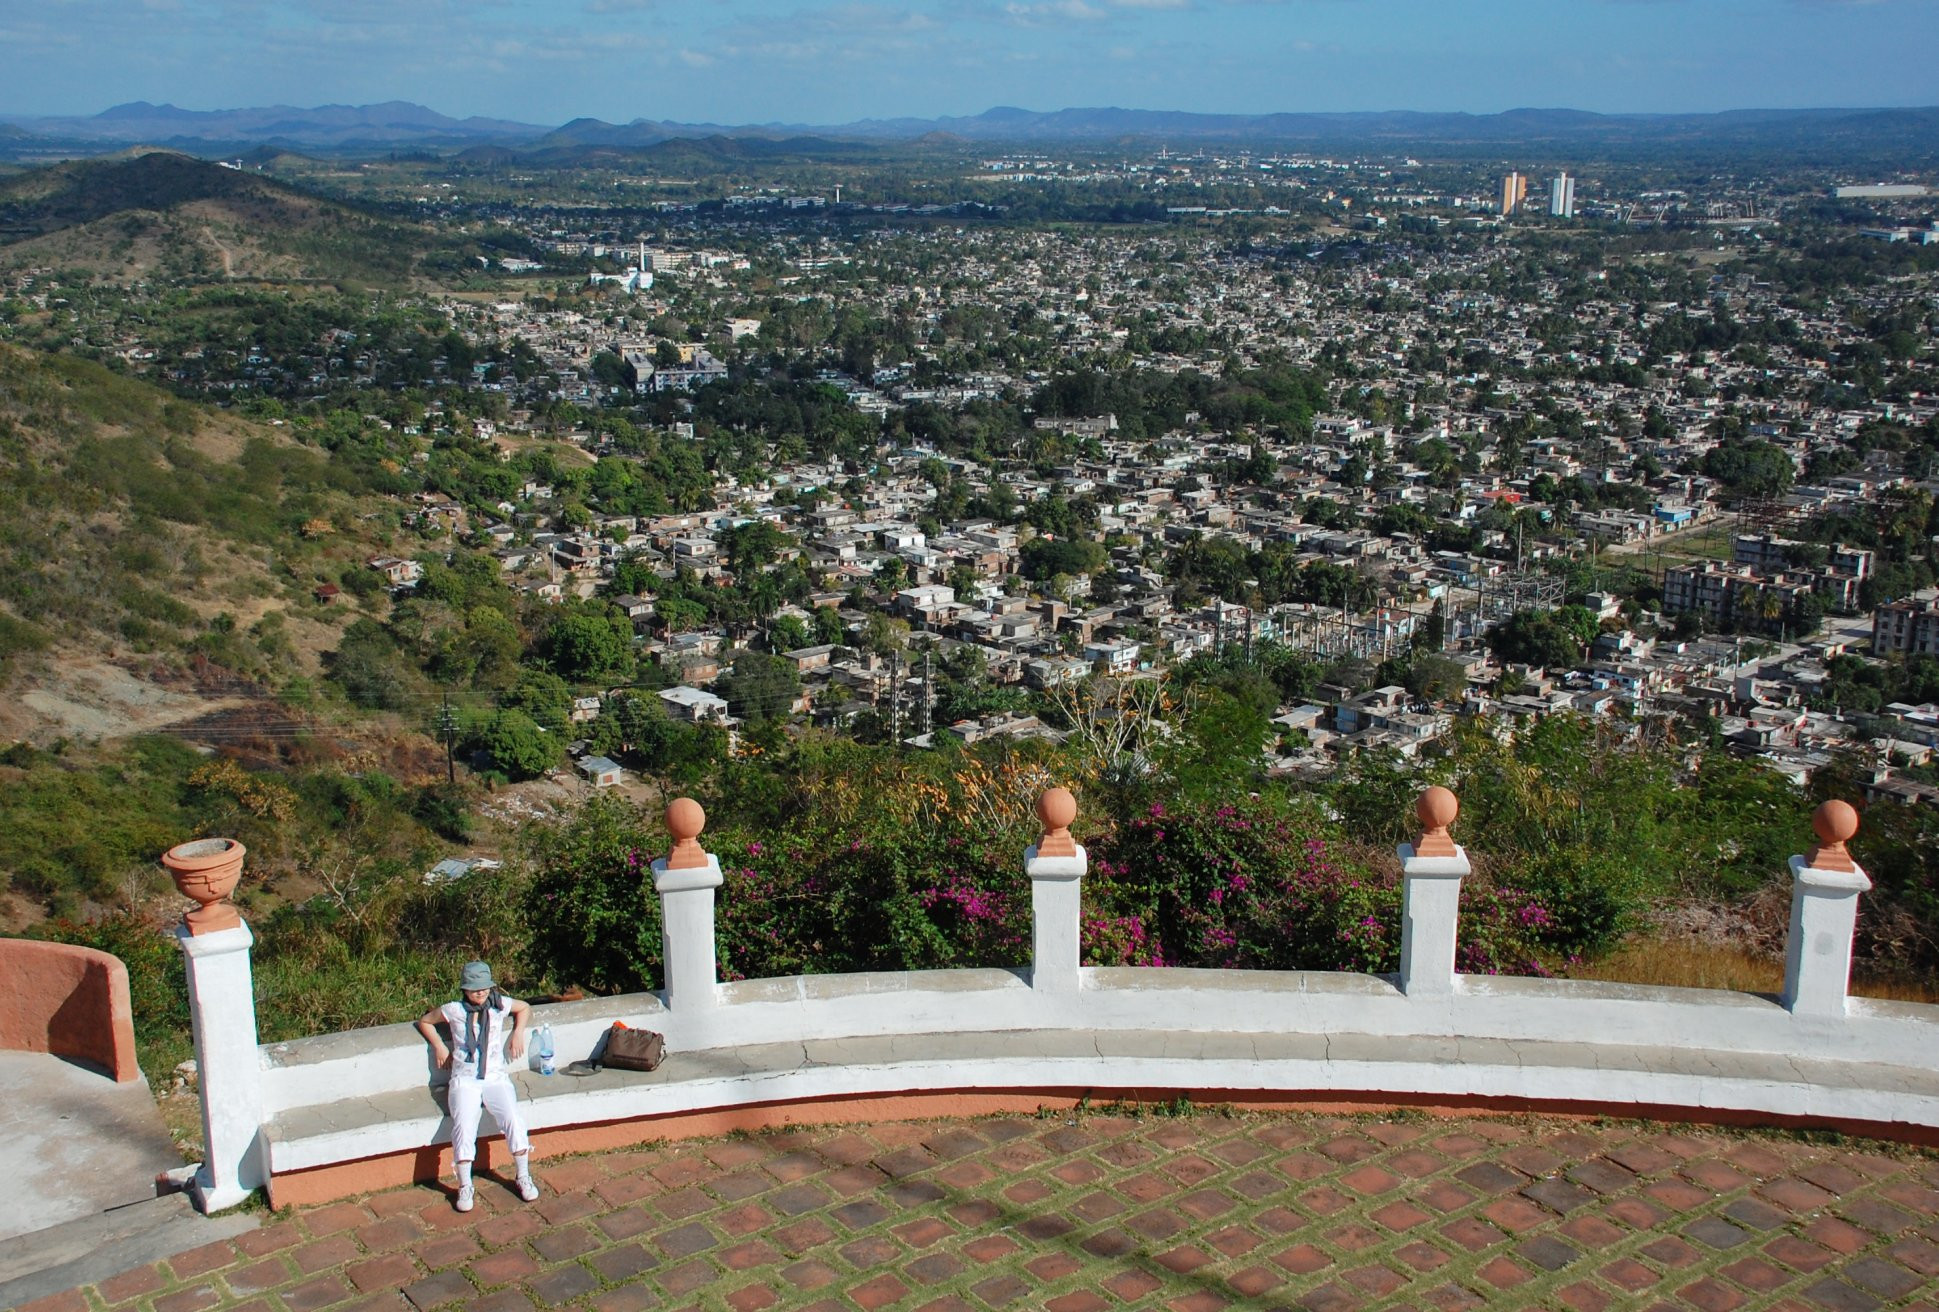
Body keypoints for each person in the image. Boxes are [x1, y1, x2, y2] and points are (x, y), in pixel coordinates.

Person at [415, 960, 542, 1212]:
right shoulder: (454, 1010)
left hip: (494, 1076)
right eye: (474, 989)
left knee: (513, 1118)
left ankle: (523, 1174)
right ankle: (464, 1184)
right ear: (465, 990)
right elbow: (425, 1021)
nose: (480, 993)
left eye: (484, 988)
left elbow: (524, 1007)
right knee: (464, 1124)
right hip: (465, 1078)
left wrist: (518, 1033)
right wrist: (440, 1045)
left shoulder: (499, 1004)